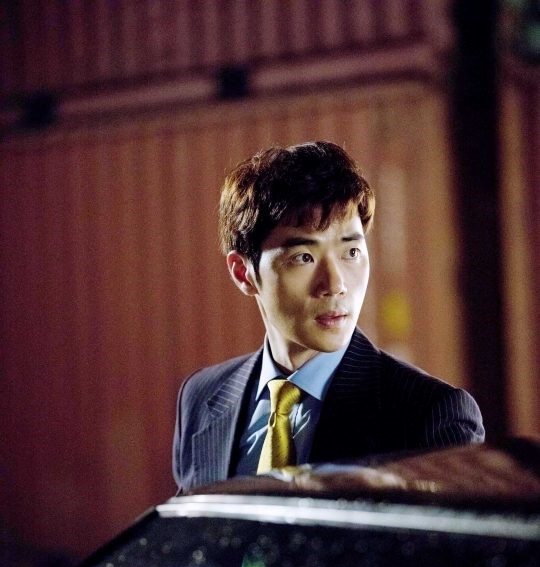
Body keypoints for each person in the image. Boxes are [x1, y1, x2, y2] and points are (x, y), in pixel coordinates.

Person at [172, 140, 484, 492]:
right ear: (243, 273)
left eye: (351, 252)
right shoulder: (201, 398)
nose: (335, 285)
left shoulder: (428, 416)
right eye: (303, 257)